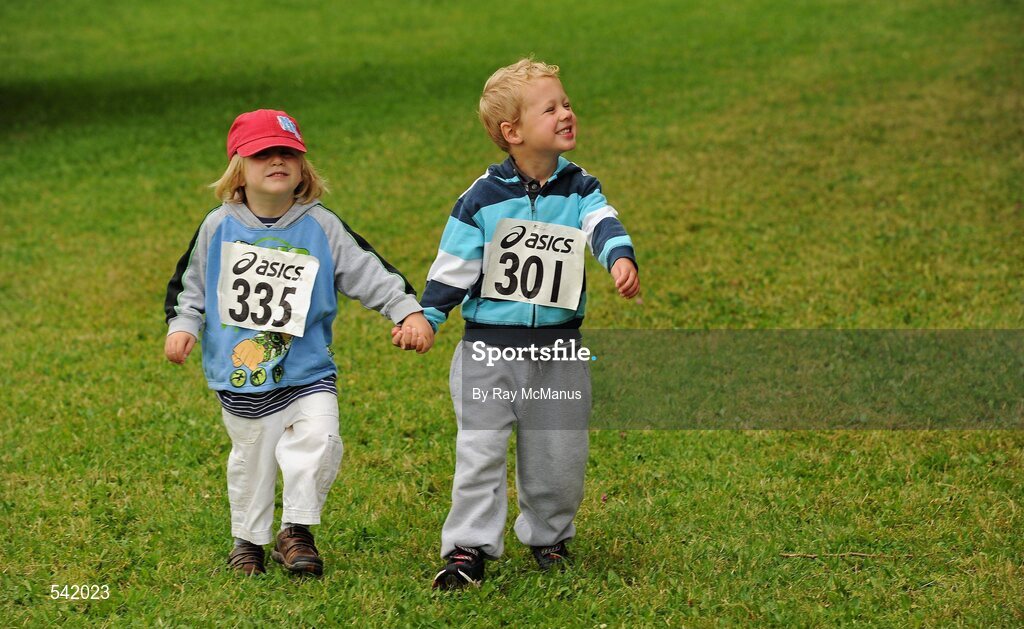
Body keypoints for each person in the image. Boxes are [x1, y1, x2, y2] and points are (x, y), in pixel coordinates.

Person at [395, 59, 640, 589]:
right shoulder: (481, 200)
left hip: (560, 353)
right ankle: (467, 548)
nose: (566, 113)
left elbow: (603, 222)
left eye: (567, 102)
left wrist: (619, 257)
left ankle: (549, 535)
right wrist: (429, 315)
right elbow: (454, 267)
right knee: (479, 452)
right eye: (550, 108)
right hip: (489, 353)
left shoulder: (580, 189)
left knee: (559, 454)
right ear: (513, 132)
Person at [164, 109, 434, 577]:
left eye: (288, 152)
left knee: (320, 440)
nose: (277, 160)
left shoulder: (321, 226)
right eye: (262, 153)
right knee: (253, 461)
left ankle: (296, 531)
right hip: (241, 375)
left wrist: (407, 310)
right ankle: (248, 540)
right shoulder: (218, 227)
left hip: (309, 371)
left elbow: (368, 270)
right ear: (238, 169)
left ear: (303, 168)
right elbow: (190, 288)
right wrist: (183, 326)